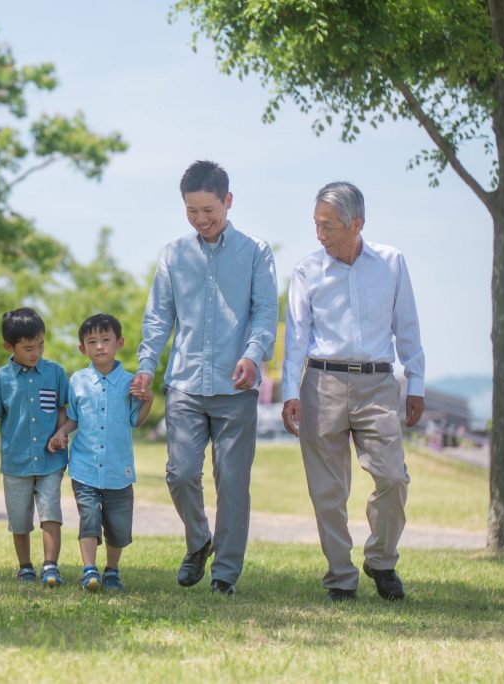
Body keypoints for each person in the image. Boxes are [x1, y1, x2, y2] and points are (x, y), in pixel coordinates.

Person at [131, 161, 277, 595]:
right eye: (192, 211)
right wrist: (144, 366)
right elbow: (158, 319)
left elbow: (265, 312)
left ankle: (225, 574)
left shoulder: (255, 252)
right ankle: (199, 541)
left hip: (236, 387)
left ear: (228, 201)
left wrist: (253, 356)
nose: (201, 219)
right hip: (185, 384)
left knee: (232, 484)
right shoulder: (173, 255)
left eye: (209, 209)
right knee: (179, 473)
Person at [281, 181, 425, 602]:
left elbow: (409, 329)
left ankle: (381, 559)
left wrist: (415, 382)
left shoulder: (392, 263)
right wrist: (291, 392)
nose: (320, 234)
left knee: (393, 478)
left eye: (328, 226)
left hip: (378, 383)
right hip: (321, 384)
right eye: (316, 225)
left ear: (356, 224)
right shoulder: (307, 271)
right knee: (327, 490)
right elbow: (296, 340)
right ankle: (341, 575)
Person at [0, 307, 69, 587]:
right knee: (19, 519)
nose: (36, 353)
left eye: (41, 345)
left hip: (50, 461)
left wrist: (61, 433)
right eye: (29, 348)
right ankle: (25, 566)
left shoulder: (55, 373)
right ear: (9, 346)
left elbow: (63, 410)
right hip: (16, 463)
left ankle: (50, 566)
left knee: (51, 513)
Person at [50, 314, 153, 591]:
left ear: (119, 342)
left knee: (118, 528)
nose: (99, 347)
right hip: (84, 467)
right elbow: (73, 417)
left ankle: (112, 570)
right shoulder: (78, 380)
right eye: (92, 341)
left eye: (105, 340)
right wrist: (62, 432)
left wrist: (148, 399)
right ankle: (89, 570)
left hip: (119, 469)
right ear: (82, 348)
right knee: (89, 519)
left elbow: (136, 420)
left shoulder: (130, 382)